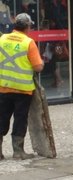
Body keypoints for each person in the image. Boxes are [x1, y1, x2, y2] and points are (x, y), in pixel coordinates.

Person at [0, 13, 44, 160]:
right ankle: (18, 152)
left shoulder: (2, 39)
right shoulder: (28, 42)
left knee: (2, 117)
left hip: (3, 87)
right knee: (20, 119)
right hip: (22, 89)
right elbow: (37, 67)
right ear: (27, 26)